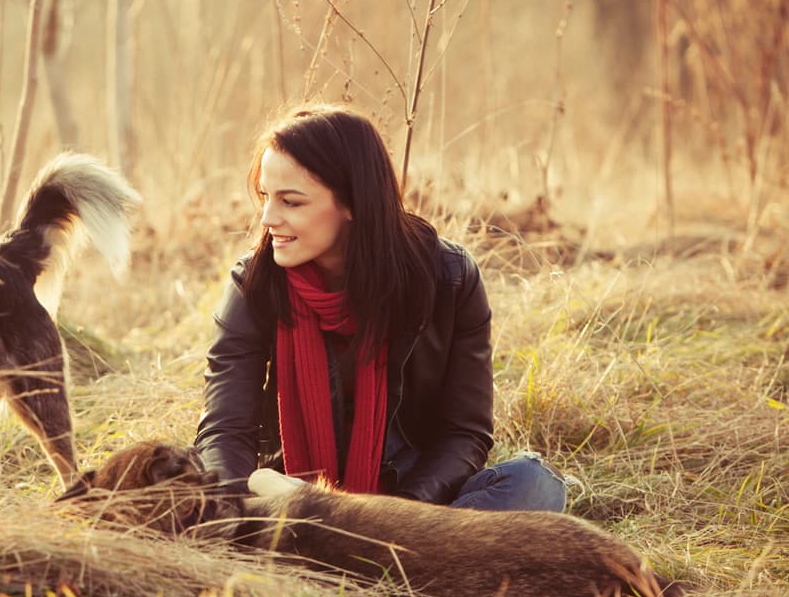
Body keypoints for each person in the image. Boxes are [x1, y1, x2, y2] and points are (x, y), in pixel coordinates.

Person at [193, 104, 566, 512]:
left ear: (353, 202)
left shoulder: (450, 278)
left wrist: (397, 515)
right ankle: (377, 549)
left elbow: (464, 433)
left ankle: (370, 544)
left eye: (291, 202)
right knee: (176, 478)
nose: (267, 218)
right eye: (266, 196)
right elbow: (225, 430)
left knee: (535, 484)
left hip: (412, 499)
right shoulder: (254, 283)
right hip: (292, 499)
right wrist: (230, 514)